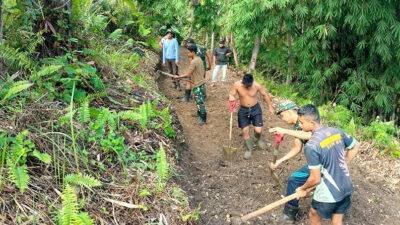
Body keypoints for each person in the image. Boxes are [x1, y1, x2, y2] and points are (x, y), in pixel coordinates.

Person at [294, 104, 359, 225]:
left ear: (312, 123)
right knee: (337, 219)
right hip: (346, 185)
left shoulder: (311, 146)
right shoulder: (336, 131)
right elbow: (355, 145)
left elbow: (315, 179)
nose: (300, 125)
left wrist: (302, 188)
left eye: (302, 122)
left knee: (314, 215)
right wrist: (343, 163)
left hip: (330, 192)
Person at [268, 100, 312, 222]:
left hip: (322, 162)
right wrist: (279, 161)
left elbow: (310, 135)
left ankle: (289, 215)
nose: (282, 119)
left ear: (288, 111)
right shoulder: (297, 125)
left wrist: (285, 130)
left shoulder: (306, 120)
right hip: (316, 162)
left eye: (282, 115)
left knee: (294, 180)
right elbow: (297, 148)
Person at [228, 74, 274, 159]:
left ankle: (257, 138)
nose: (248, 87)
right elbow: (231, 94)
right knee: (245, 131)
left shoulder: (257, 86)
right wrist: (231, 98)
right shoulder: (237, 85)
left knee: (258, 130)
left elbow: (265, 95)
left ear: (252, 82)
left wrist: (270, 107)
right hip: (243, 110)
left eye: (249, 86)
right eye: (246, 85)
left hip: (255, 109)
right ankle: (249, 149)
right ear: (243, 82)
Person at [173, 44, 207, 125]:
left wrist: (178, 76)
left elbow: (188, 74)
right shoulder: (199, 59)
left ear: (193, 52)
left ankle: (203, 118)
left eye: (188, 52)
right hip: (200, 82)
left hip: (197, 84)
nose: (188, 54)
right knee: (198, 100)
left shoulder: (194, 61)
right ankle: (199, 113)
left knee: (199, 101)